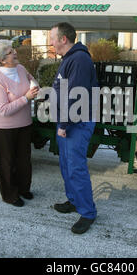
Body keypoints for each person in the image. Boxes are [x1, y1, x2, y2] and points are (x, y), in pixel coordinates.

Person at [50, 22, 99, 234]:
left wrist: (63, 124)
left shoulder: (79, 59)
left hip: (76, 123)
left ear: (63, 39)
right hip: (68, 121)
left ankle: (87, 212)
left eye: (52, 38)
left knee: (76, 168)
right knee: (66, 165)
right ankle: (74, 201)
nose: (50, 42)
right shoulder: (70, 58)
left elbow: (76, 96)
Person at [0, 40, 39, 207]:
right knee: (7, 162)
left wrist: (35, 86)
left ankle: (23, 189)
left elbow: (31, 79)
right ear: (2, 60)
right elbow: (3, 110)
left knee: (24, 159)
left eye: (13, 50)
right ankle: (10, 195)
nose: (14, 53)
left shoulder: (21, 68)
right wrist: (26, 98)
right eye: (10, 52)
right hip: (4, 127)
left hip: (24, 123)